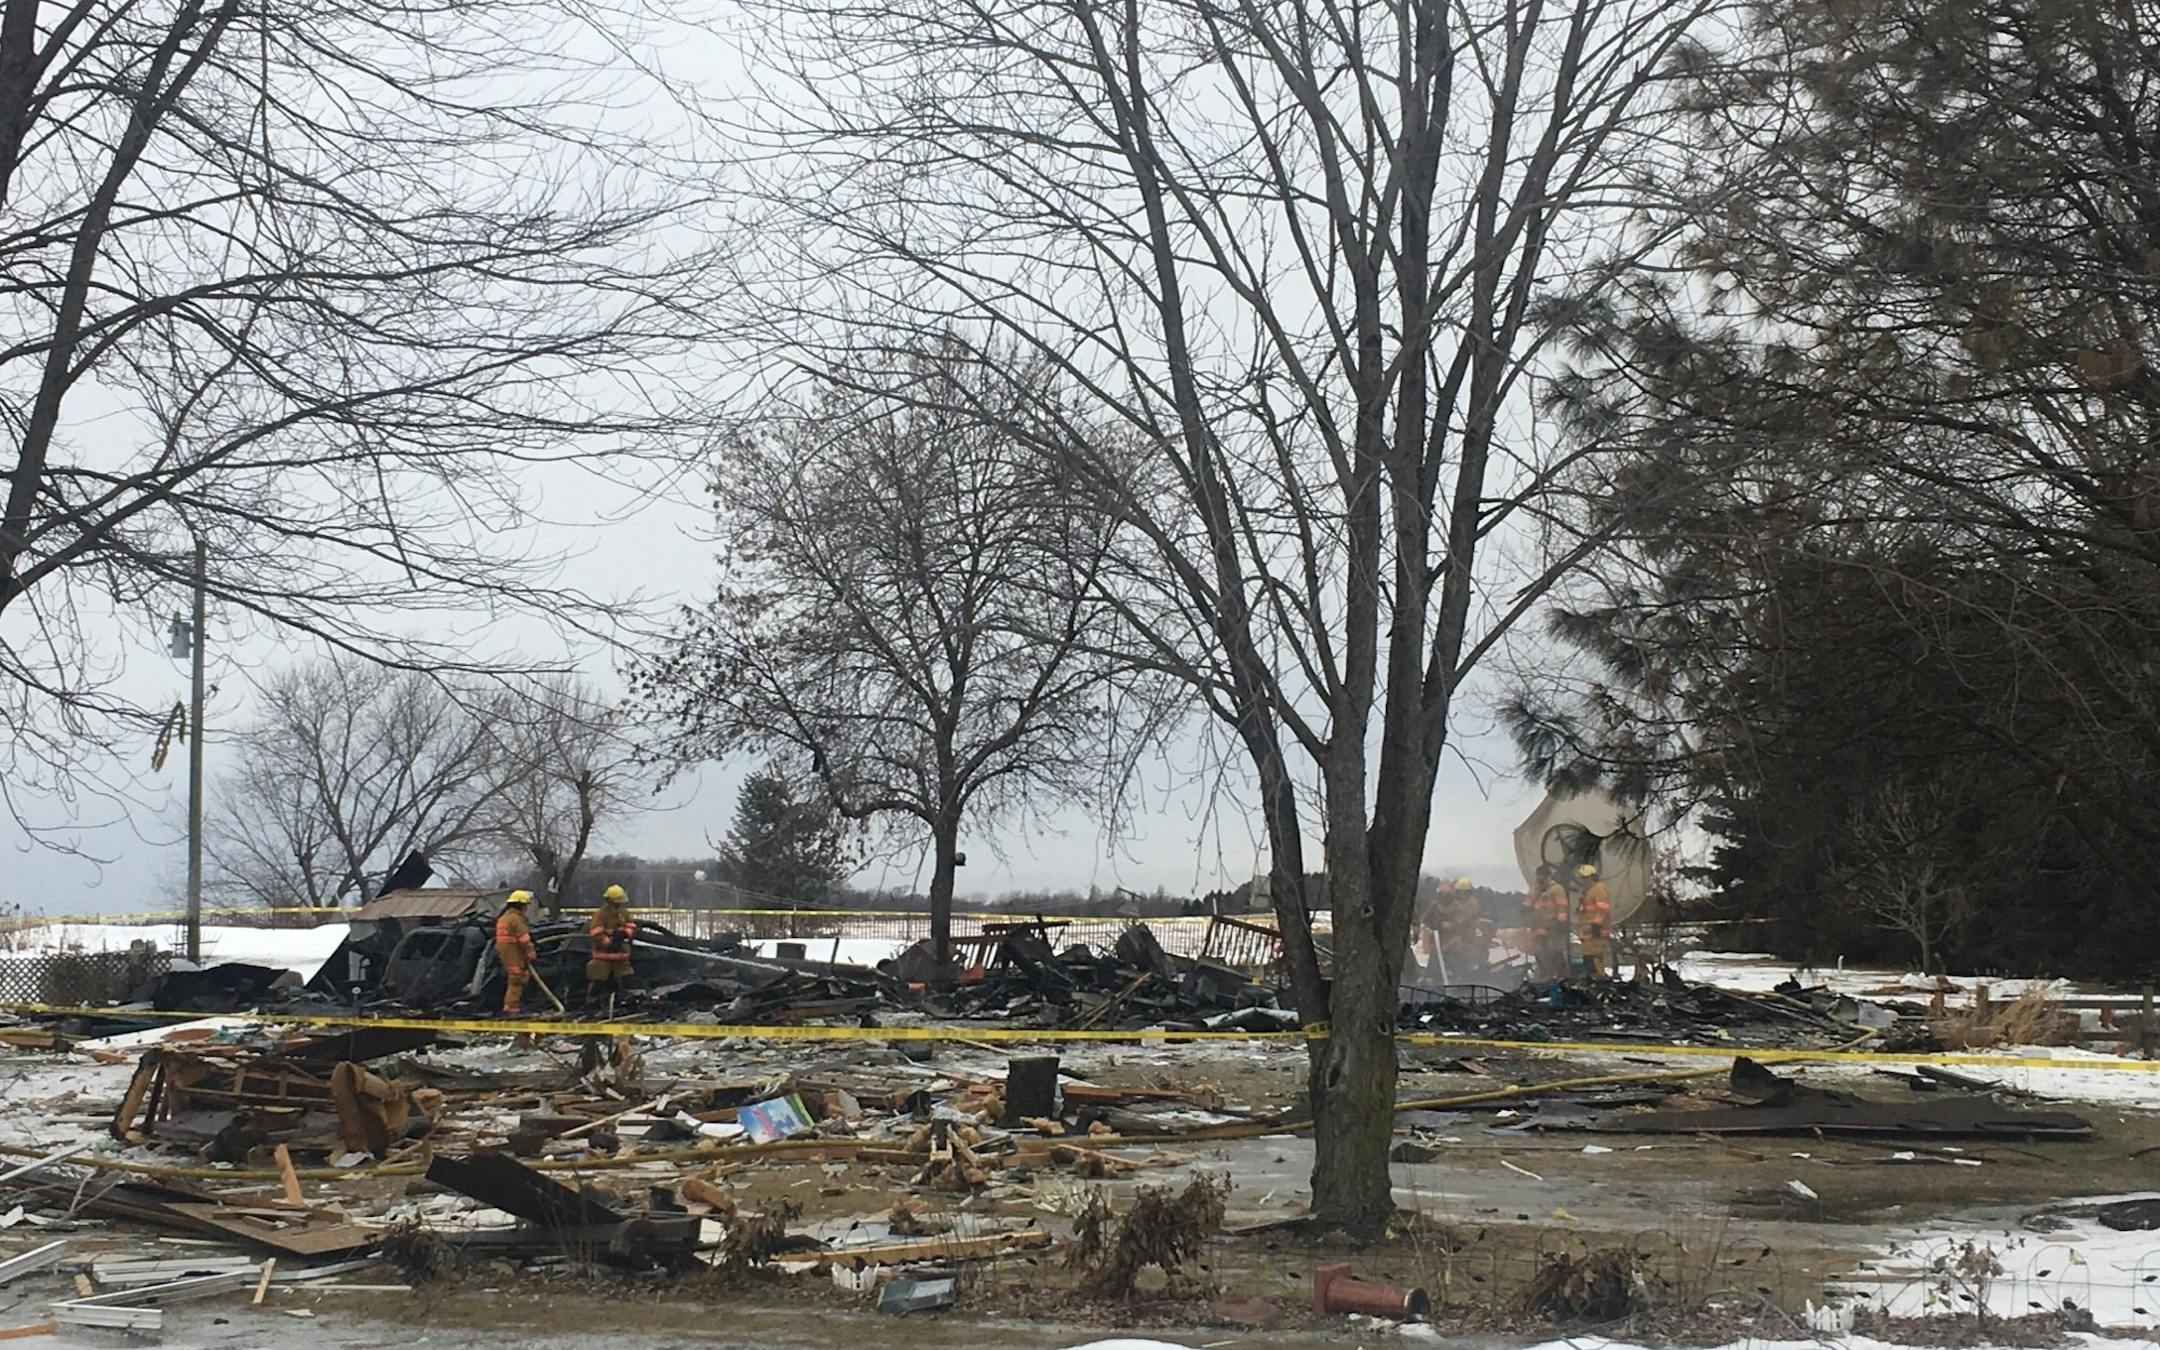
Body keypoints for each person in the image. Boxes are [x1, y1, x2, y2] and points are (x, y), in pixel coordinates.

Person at [587, 884, 637, 1006]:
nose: (619, 906)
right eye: (617, 903)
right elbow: (595, 932)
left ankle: (629, 1001)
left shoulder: (623, 912)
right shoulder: (601, 914)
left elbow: (631, 926)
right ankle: (593, 1003)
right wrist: (608, 943)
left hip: (621, 954)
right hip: (603, 955)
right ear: (610, 901)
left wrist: (625, 933)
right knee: (598, 980)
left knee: (627, 979)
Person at [494, 890, 538, 1013]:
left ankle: (512, 1005)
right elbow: (524, 938)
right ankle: (512, 1007)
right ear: (520, 905)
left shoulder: (503, 918)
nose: (526, 908)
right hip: (513, 952)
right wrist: (530, 951)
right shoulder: (516, 919)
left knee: (517, 977)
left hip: (505, 952)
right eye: (526, 905)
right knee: (516, 979)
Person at [1527, 864, 1571, 982]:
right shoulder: (1535, 889)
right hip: (1537, 927)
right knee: (1539, 953)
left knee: (1554, 952)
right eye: (1538, 877)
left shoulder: (1557, 889)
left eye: (1542, 877)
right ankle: (1544, 976)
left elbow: (1562, 906)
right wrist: (1524, 908)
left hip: (1552, 927)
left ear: (1548, 877)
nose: (1539, 880)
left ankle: (1560, 976)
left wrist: (1561, 922)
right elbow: (1529, 902)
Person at [1438, 877, 1487, 980]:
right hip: (1458, 934)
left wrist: (1452, 924)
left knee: (1452, 948)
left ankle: (1458, 975)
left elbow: (1464, 920)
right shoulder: (1458, 902)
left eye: (1463, 892)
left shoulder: (1472, 903)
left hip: (1467, 936)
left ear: (1468, 892)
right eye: (1459, 892)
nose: (1461, 894)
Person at [1575, 863, 1613, 979]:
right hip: (1588, 935)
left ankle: (1599, 985)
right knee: (1589, 962)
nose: (1583, 881)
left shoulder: (1598, 889)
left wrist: (1594, 925)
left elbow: (1603, 909)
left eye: (1586, 878)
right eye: (1582, 878)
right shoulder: (1588, 892)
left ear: (1592, 877)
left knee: (1596, 962)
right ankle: (1592, 983)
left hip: (1596, 934)